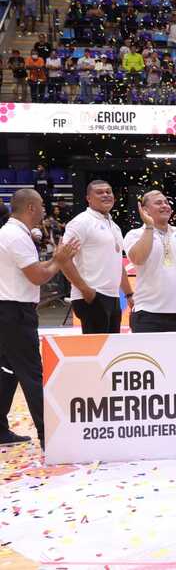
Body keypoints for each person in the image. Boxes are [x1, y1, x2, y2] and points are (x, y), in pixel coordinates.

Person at [0, 190, 79, 449]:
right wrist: (59, 261)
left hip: (9, 309)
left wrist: (56, 261)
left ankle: (0, 429)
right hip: (15, 311)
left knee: (8, 370)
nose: (45, 210)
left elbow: (33, 271)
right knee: (32, 373)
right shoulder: (15, 236)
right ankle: (50, 436)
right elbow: (37, 277)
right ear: (31, 208)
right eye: (42, 205)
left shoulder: (12, 233)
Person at [123, 191, 176, 333]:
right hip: (146, 313)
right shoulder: (135, 234)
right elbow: (138, 258)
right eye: (158, 203)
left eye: (166, 202)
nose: (165, 206)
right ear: (145, 210)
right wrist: (149, 226)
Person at [61, 181, 132, 334]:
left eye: (108, 192)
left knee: (112, 347)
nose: (106, 195)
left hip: (114, 297)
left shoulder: (114, 226)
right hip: (92, 295)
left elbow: (117, 263)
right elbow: (63, 259)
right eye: (99, 192)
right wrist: (85, 290)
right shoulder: (81, 222)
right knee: (96, 346)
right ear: (88, 198)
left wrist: (129, 294)